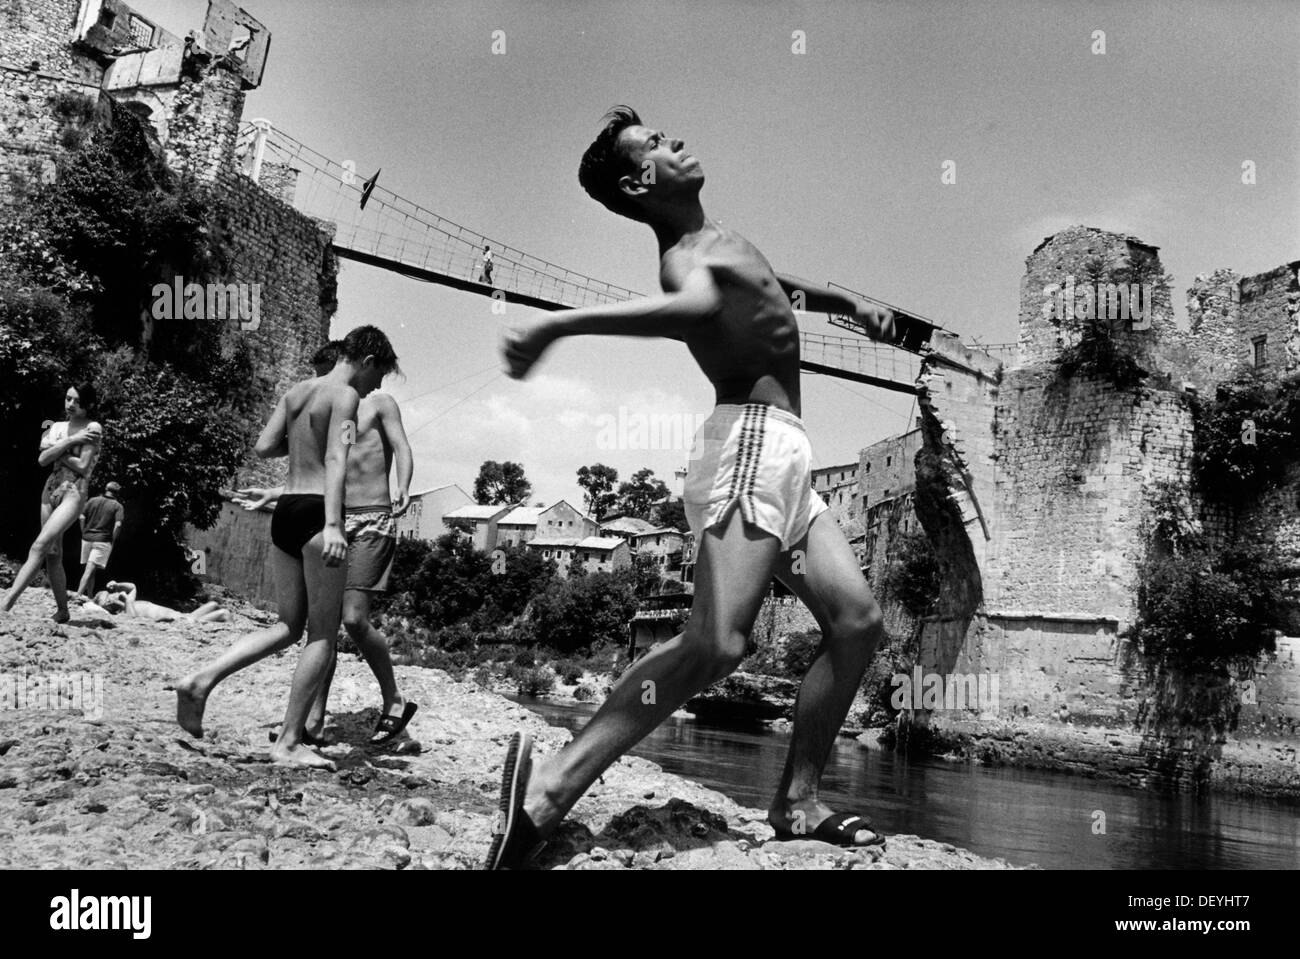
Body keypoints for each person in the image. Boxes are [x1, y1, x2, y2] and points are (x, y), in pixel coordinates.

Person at [488, 106, 917, 869]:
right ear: (640, 180)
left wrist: (851, 306)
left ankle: (796, 801)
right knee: (716, 642)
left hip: (788, 456)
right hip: (748, 445)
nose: (675, 140)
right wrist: (560, 326)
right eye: (655, 144)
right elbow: (687, 310)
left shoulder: (723, 238)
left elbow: (773, 285)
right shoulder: (682, 259)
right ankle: (544, 794)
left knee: (856, 623)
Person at [175, 326, 399, 769]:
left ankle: (202, 680)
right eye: (378, 375)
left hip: (286, 510)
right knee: (321, 633)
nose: (374, 387)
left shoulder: (298, 391)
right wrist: (335, 524)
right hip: (318, 514)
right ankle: (289, 742)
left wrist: (302, 445)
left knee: (286, 626)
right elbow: (338, 458)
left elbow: (263, 446)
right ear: (369, 359)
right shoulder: (346, 397)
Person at [236, 339, 418, 747]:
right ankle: (312, 720)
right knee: (323, 626)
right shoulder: (335, 405)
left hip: (369, 517)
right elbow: (320, 462)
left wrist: (403, 486)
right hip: (331, 516)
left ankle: (393, 699)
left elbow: (403, 449)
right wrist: (273, 493)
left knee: (353, 619)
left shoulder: (379, 404)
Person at [2, 383, 103, 624]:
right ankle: (63, 611)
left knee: (40, 545)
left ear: (86, 404)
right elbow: (41, 459)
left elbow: (82, 467)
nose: (69, 404)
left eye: (75, 401)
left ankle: (5, 604)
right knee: (52, 555)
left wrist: (57, 448)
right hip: (50, 490)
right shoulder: (57, 426)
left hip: (74, 492)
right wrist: (71, 442)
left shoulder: (93, 427)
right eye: (67, 399)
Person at [84, 581, 229, 624]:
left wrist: (117, 585)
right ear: (108, 606)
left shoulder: (130, 603)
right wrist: (125, 601)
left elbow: (133, 586)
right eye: (109, 599)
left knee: (214, 605)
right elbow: (133, 619)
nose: (113, 597)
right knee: (224, 613)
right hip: (182, 621)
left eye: (111, 595)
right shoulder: (125, 612)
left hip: (183, 614)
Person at [75, 481, 124, 598]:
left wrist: (83, 531)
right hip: (102, 540)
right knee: (89, 569)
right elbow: (118, 525)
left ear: (105, 489)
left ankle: (90, 596)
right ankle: (78, 596)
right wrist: (113, 539)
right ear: (117, 493)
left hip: (86, 538)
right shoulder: (117, 506)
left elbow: (81, 516)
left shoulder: (92, 500)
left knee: (91, 569)